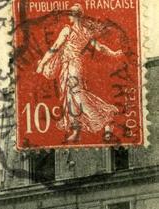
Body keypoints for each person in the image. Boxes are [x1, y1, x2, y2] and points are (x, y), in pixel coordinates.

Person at [35, 4, 123, 143]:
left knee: (77, 95)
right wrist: (113, 53)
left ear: (74, 15)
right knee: (69, 96)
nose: (68, 17)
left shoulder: (67, 30)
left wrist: (41, 64)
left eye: (69, 14)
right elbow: (99, 47)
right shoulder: (86, 32)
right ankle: (76, 130)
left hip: (72, 66)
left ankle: (104, 119)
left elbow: (55, 48)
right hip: (72, 65)